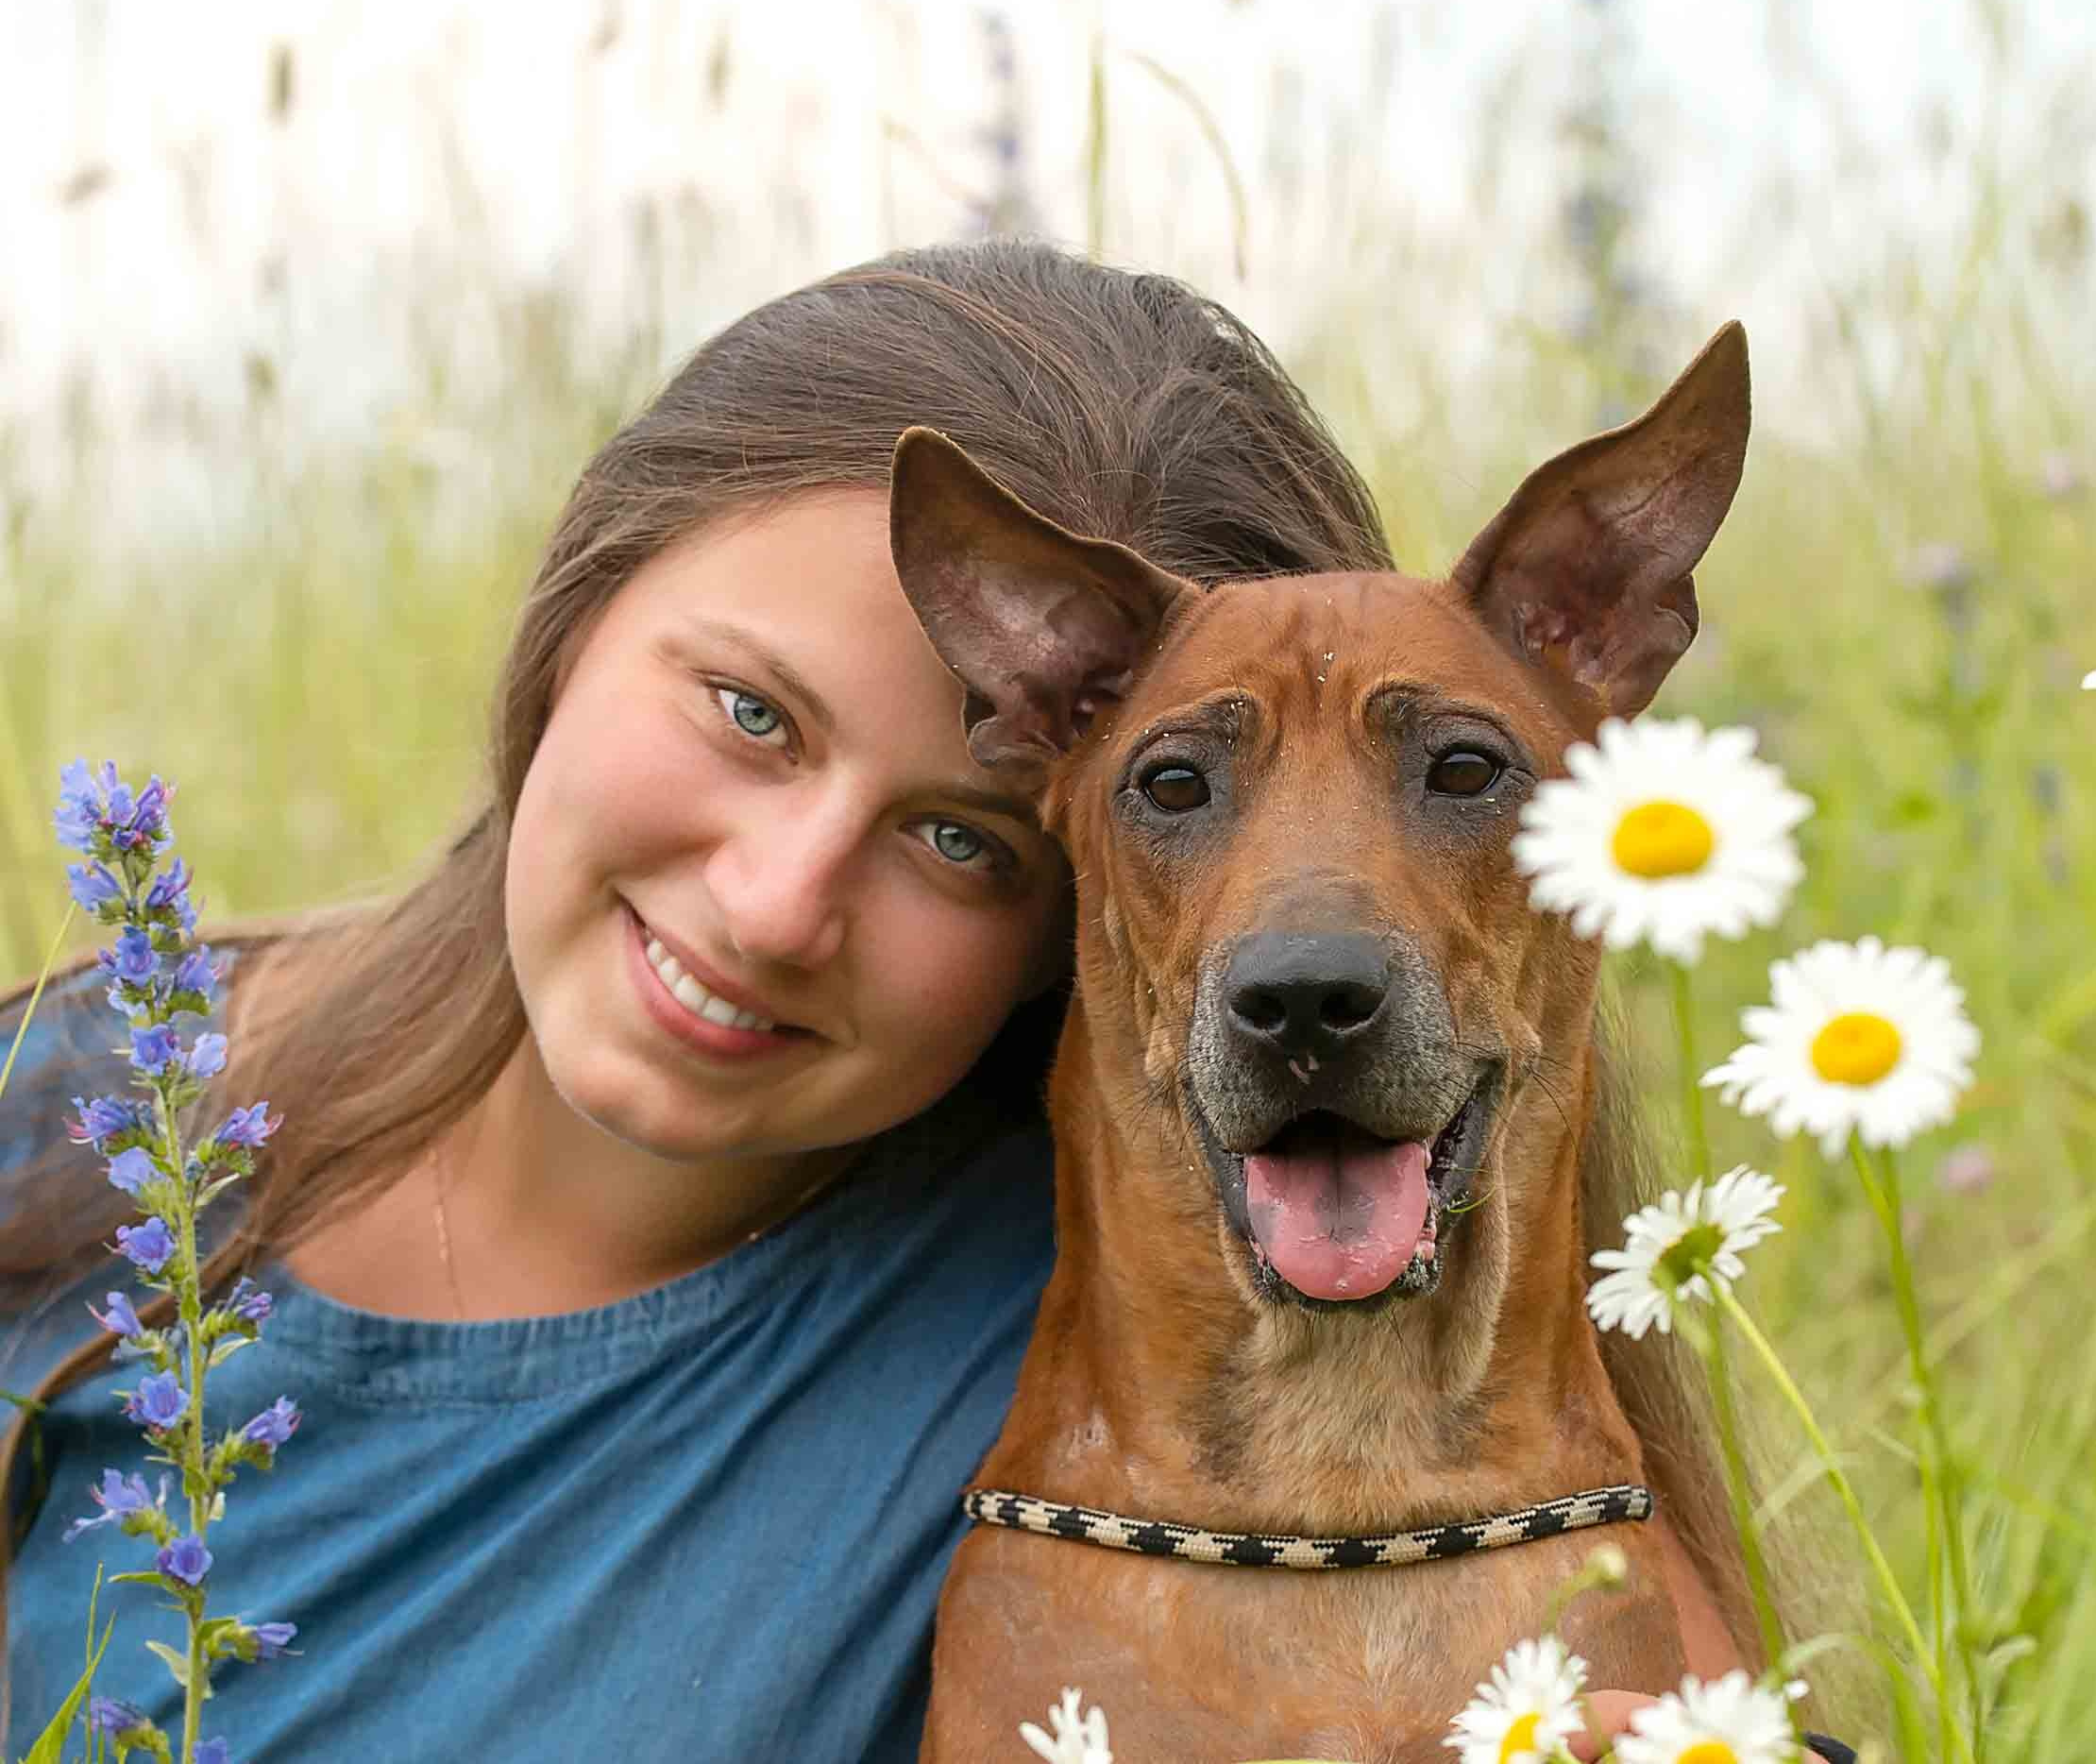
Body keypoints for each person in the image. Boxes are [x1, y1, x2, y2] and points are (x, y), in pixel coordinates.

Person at [1, 239, 1804, 1758]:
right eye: (748, 713)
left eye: (956, 842)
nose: (777, 906)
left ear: (1068, 920)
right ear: (571, 617)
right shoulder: (63, 1109)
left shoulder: (1120, 1329)